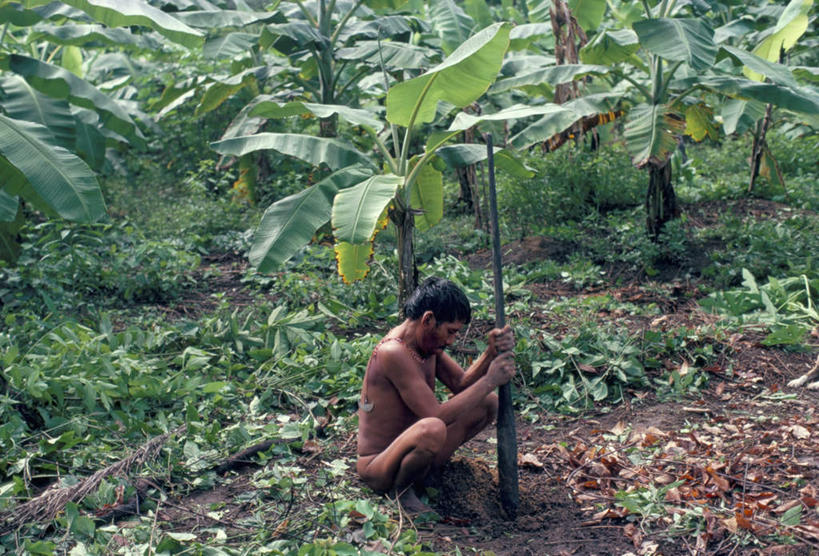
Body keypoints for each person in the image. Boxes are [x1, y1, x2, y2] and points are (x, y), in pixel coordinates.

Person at [356, 277, 515, 512]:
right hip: (379, 465)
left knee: (488, 403)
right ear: (428, 320)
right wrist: (490, 380)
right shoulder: (393, 351)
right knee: (433, 428)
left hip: (412, 447)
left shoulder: (426, 345)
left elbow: (460, 383)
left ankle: (422, 474)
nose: (451, 341)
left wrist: (490, 353)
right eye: (450, 332)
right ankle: (401, 492)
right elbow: (435, 414)